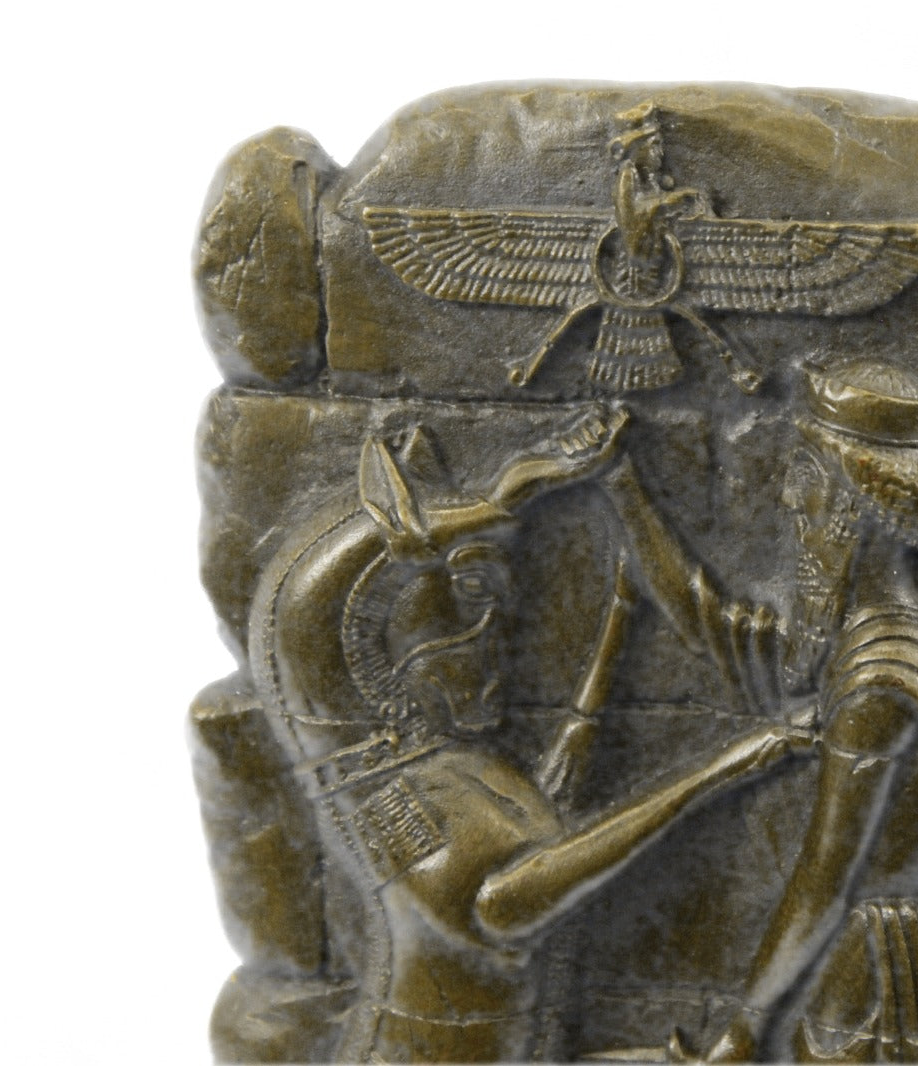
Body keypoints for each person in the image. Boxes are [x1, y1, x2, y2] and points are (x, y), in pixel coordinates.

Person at [249, 405, 812, 1063]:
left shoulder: (434, 762)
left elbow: (544, 808)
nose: (500, 668)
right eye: (478, 633)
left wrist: (618, 619)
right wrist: (732, 763)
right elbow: (507, 897)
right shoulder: (389, 794)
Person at [595, 361, 918, 1063]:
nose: (789, 500)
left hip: (877, 981)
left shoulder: (877, 675)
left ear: (851, 511)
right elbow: (712, 620)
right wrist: (622, 482)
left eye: (807, 480)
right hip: (903, 962)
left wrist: (744, 1027)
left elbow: (826, 880)